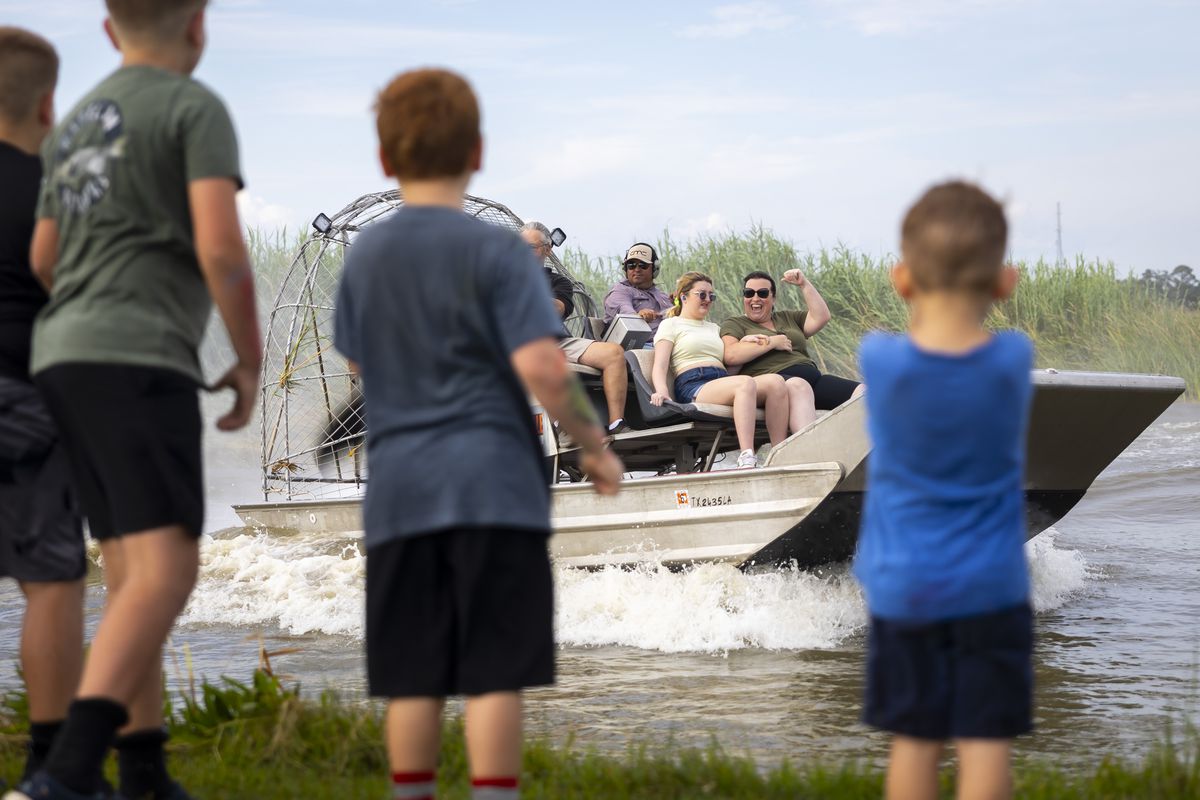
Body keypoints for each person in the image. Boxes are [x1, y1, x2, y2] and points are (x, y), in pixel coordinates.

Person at [334, 69, 623, 800]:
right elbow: (544, 368)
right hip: (496, 486)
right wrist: (593, 445)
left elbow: (359, 359)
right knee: (495, 669)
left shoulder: (367, 255)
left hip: (401, 491)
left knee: (412, 674)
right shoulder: (500, 254)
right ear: (479, 152)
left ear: (384, 160)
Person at [11, 2, 262, 799]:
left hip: (62, 355)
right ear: (198, 26)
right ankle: (67, 775)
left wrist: (85, 314)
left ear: (112, 32)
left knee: (130, 568)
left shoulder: (78, 118)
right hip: (137, 357)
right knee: (168, 569)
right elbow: (220, 246)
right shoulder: (193, 107)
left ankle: (144, 771)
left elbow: (46, 253)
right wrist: (248, 358)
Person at [853, 180, 1032, 800]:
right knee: (985, 740)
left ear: (902, 280)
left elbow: (900, 338)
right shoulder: (1012, 362)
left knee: (915, 737)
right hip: (991, 585)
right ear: (1005, 283)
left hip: (906, 584)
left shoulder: (880, 361)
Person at [0, 26, 88, 786]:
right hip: (25, 401)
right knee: (51, 582)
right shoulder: (51, 192)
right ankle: (54, 765)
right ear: (48, 101)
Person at [650, 272, 789, 469]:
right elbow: (660, 365)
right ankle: (747, 457)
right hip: (694, 384)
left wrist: (744, 342)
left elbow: (729, 361)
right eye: (702, 295)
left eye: (711, 296)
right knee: (745, 383)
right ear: (684, 296)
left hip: (721, 380)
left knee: (776, 382)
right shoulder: (671, 324)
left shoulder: (714, 328)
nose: (708, 300)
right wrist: (662, 391)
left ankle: (780, 452)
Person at [721, 269, 863, 433]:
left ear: (773, 298)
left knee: (863, 394)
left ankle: (854, 449)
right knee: (800, 387)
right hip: (776, 382)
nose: (755, 298)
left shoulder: (787, 317)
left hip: (814, 379)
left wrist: (803, 284)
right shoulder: (736, 323)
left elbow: (821, 317)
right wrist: (772, 342)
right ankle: (807, 452)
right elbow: (731, 355)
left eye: (762, 293)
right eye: (749, 293)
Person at [521, 221, 630, 435]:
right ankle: (562, 428)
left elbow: (557, 309)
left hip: (557, 341)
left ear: (547, 250)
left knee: (614, 353)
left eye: (530, 248)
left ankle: (617, 423)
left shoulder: (558, 282)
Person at [602, 242, 672, 336]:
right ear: (626, 269)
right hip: (636, 345)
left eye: (643, 265)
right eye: (631, 265)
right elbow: (625, 312)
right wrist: (639, 315)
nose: (637, 269)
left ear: (655, 268)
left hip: (668, 342)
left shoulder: (662, 296)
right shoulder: (620, 291)